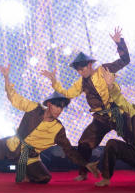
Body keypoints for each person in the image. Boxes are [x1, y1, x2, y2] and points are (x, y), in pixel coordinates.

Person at [0, 64, 99, 184]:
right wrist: (6, 77)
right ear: (49, 104)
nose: (59, 110)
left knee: (44, 178)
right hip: (11, 146)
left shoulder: (58, 129)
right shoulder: (34, 108)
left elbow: (69, 151)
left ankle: (23, 169)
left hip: (29, 157)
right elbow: (14, 98)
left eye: (62, 108)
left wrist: (86, 164)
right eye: (57, 106)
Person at [42, 27, 130, 181]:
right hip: (100, 118)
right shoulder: (81, 82)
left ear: (89, 65)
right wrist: (54, 81)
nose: (80, 72)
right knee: (84, 143)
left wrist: (119, 43)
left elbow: (125, 60)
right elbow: (68, 94)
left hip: (117, 114)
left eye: (82, 69)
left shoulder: (104, 70)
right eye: (78, 70)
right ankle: (83, 173)